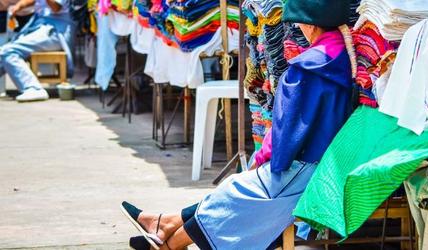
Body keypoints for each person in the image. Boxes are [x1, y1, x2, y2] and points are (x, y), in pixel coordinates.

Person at [121, 0, 356, 249]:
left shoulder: (306, 69)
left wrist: (263, 159)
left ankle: (170, 241)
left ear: (308, 24)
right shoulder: (344, 59)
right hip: (326, 165)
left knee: (237, 193)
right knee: (234, 189)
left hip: (306, 169)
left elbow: (288, 132)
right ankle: (166, 226)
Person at [0, 0, 74, 102]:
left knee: (8, 51)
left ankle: (33, 88)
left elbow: (56, 7)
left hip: (56, 32)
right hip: (39, 26)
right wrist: (18, 6)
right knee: (2, 54)